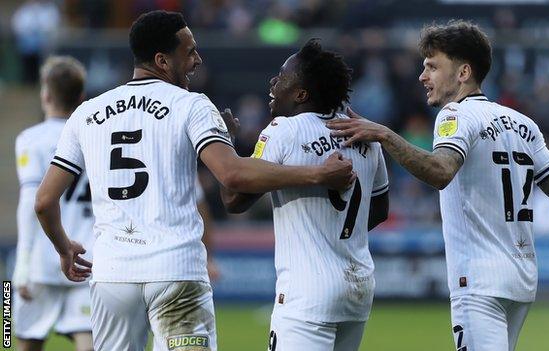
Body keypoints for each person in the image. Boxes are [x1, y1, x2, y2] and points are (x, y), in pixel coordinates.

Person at [34, 11, 353, 351]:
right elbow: (232, 174)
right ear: (162, 60)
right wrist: (316, 174)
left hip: (113, 275)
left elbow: (44, 201)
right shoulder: (193, 105)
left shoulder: (87, 113)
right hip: (176, 273)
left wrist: (64, 248)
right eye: (189, 52)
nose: (197, 59)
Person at [327, 20, 549, 351]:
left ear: (463, 73)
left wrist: (385, 134)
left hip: (478, 281)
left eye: (432, 67)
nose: (423, 76)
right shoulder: (524, 124)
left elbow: (440, 172)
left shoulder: (455, 116)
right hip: (520, 279)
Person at [221, 39, 389, 351]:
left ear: (301, 94)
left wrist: (225, 139)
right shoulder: (364, 133)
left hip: (306, 293)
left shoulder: (283, 130)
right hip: (358, 286)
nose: (274, 82)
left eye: (282, 78)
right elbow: (378, 210)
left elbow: (233, 199)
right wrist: (332, 231)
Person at [13, 56, 94, 351]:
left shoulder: (30, 139)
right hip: (87, 260)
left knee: (19, 340)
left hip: (39, 262)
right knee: (90, 343)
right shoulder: (94, 136)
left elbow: (30, 202)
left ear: (45, 94)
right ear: (81, 96)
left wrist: (21, 264)